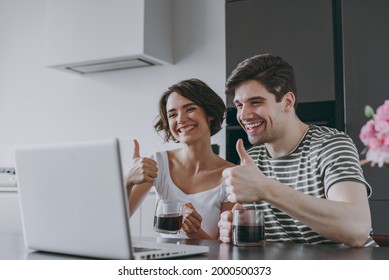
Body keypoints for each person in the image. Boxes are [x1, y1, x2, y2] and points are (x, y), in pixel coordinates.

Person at [219, 54, 377, 247]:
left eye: (256, 102)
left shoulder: (330, 144)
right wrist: (231, 227)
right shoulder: (252, 158)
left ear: (287, 102)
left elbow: (357, 229)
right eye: (239, 105)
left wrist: (265, 188)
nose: (243, 115)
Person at [126, 78, 235, 240]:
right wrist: (127, 180)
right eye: (172, 114)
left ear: (210, 113)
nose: (180, 119)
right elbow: (115, 220)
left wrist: (196, 233)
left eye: (190, 109)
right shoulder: (158, 163)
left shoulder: (231, 177)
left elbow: (225, 251)